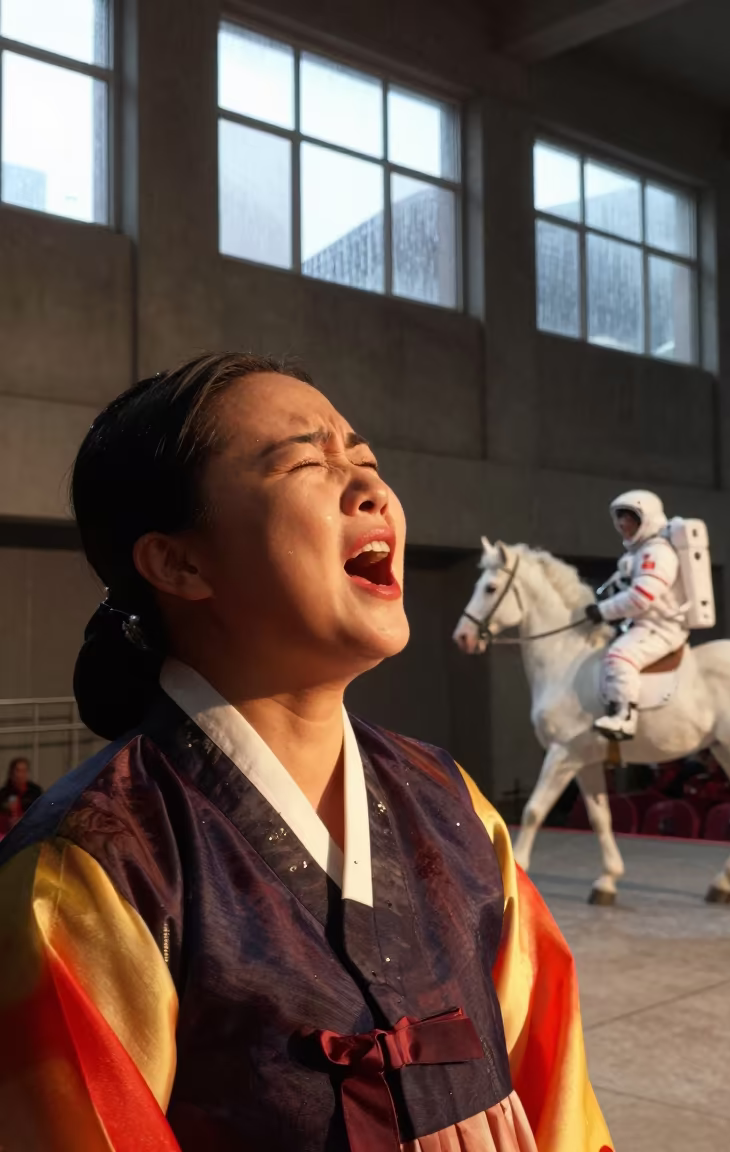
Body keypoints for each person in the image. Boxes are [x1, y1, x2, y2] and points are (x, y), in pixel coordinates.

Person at [0, 353, 612, 1152]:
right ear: (179, 561)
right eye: (306, 462)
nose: (371, 489)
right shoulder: (88, 872)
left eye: (364, 459)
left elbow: (561, 1106)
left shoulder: (455, 803)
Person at [585, 490, 688, 741]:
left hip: (661, 627)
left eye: (629, 517)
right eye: (619, 518)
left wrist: (604, 611)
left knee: (620, 656)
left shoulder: (657, 552)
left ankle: (625, 718)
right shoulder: (639, 552)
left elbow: (642, 596)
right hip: (643, 624)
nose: (622, 524)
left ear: (647, 519)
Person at [0, 756, 42, 832]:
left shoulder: (35, 791)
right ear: (11, 773)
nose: (21, 775)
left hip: (30, 830)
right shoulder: (4, 793)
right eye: (18, 770)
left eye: (24, 771)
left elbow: (41, 812)